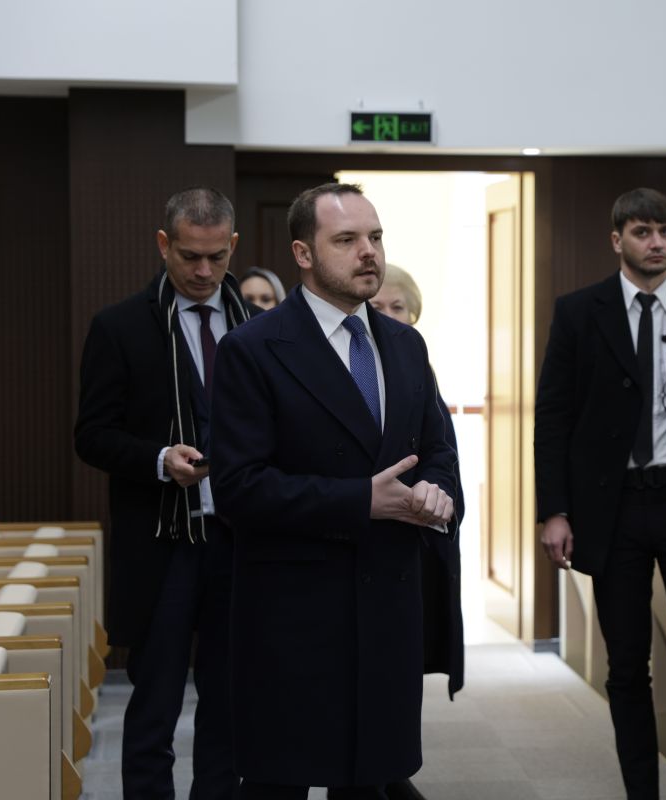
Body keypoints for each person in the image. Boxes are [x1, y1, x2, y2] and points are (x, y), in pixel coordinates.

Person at [209, 182, 458, 799]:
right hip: (295, 613)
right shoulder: (253, 348)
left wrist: (438, 490)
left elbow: (438, 449)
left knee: (372, 780)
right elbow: (238, 488)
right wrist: (359, 501)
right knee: (279, 783)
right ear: (303, 253)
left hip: (386, 606)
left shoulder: (405, 344)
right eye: (346, 240)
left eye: (375, 237)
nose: (368, 252)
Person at [535, 188, 666, 800]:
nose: (657, 242)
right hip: (612, 507)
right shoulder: (578, 312)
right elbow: (553, 416)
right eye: (643, 231)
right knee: (626, 665)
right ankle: (642, 792)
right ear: (617, 239)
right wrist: (554, 510)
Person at [75, 186, 257, 799]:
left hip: (240, 540)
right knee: (154, 704)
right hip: (162, 543)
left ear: (233, 246)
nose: (203, 271)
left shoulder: (259, 327)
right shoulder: (120, 327)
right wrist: (158, 459)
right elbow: (91, 436)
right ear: (163, 245)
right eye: (188, 256)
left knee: (230, 702)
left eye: (216, 257)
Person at [369, 263, 464, 800]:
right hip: (358, 541)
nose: (388, 316)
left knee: (396, 692)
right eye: (377, 307)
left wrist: (437, 496)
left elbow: (443, 456)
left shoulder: (416, 367)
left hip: (415, 544)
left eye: (398, 308)